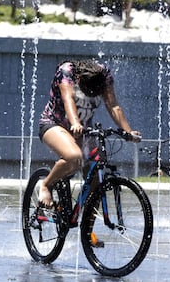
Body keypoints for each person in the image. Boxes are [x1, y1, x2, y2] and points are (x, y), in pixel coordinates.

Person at [38, 59, 141, 207]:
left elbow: (113, 105)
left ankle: (86, 227)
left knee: (96, 181)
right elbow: (69, 99)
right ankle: (46, 185)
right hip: (54, 124)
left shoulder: (104, 75)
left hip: (83, 130)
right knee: (75, 157)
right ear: (79, 80)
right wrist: (75, 123)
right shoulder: (66, 72)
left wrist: (128, 132)